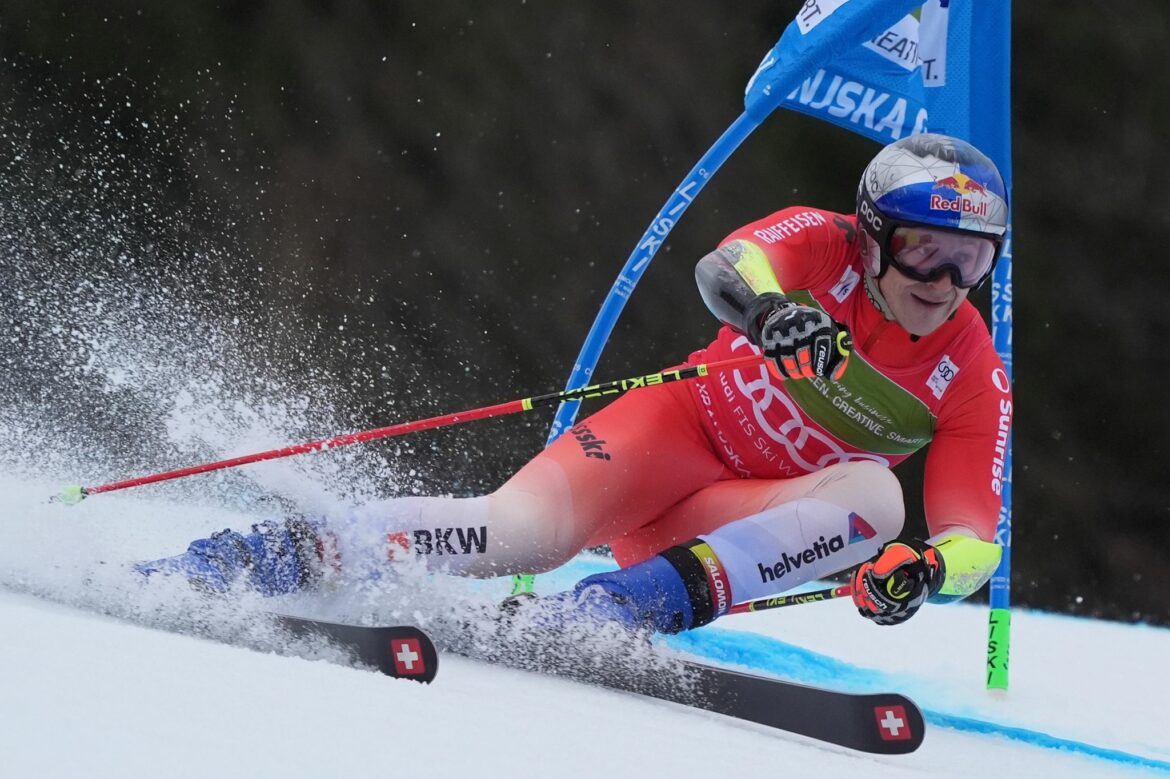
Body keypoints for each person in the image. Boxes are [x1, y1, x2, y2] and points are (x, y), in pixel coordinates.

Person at [138, 132, 1012, 634]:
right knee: (514, 531)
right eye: (921, 249)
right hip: (666, 437)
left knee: (878, 501)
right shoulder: (821, 240)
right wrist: (772, 312)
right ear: (870, 235)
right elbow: (732, 263)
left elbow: (979, 539)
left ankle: (611, 615)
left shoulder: (972, 369)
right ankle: (268, 553)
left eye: (970, 261)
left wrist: (927, 571)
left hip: (722, 529)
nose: (941, 279)